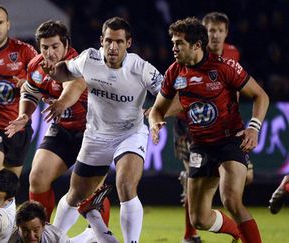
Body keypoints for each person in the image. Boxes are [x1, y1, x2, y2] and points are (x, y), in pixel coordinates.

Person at [41, 17, 163, 243]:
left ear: (129, 43)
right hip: (96, 136)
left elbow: (168, 94)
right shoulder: (89, 58)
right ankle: (53, 237)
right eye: (108, 41)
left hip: (130, 133)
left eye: (118, 41)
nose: (112, 47)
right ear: (101, 41)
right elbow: (66, 72)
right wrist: (53, 72)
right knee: (75, 194)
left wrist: (157, 114)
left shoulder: (141, 68)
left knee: (125, 185)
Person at [149, 17, 268, 243]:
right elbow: (157, 110)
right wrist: (155, 123)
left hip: (230, 141)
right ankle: (236, 232)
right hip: (200, 146)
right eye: (173, 42)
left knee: (231, 199)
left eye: (179, 43)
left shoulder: (223, 66)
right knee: (199, 219)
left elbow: (261, 95)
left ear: (196, 45)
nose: (173, 48)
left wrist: (254, 127)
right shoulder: (175, 72)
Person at [5, 20, 110, 241]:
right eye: (44, 47)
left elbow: (75, 86)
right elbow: (30, 92)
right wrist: (24, 114)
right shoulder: (36, 66)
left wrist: (61, 103)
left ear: (66, 45)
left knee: (90, 189)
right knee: (37, 176)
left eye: (55, 46)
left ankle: (100, 236)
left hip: (93, 132)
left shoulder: (78, 62)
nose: (50, 53)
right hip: (62, 129)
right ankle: (43, 233)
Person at [175, 11, 252, 243]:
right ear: (203, 36)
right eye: (211, 31)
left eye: (220, 30)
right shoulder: (190, 57)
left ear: (226, 33)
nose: (215, 35)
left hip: (227, 128)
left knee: (246, 177)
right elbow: (179, 93)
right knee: (196, 181)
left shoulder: (232, 54)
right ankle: (191, 235)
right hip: (192, 128)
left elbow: (237, 88)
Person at [0, 4, 37, 176]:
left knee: (9, 187)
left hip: (18, 127)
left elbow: (42, 83)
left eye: (0, 22)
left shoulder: (24, 51)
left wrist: (28, 84)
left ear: (8, 25)